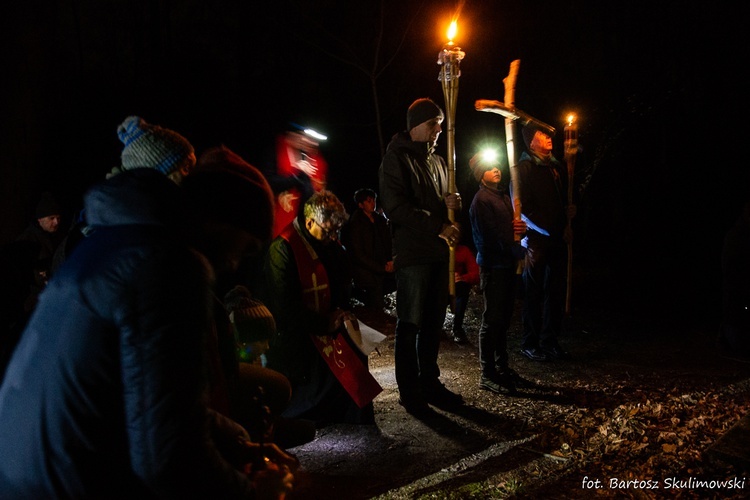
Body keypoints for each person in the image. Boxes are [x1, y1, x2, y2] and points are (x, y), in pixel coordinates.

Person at [0, 167, 296, 498]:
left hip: (28, 468)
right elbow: (167, 459)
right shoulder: (169, 266)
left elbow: (156, 399)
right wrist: (256, 492)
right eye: (247, 247)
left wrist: (238, 443)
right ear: (223, 223)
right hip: (64, 480)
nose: (235, 263)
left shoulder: (116, 245)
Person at [262, 190, 378, 426]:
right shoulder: (282, 250)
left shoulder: (328, 242)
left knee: (355, 350)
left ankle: (351, 415)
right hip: (298, 329)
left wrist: (341, 313)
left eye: (337, 231)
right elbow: (284, 305)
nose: (333, 237)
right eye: (328, 231)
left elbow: (341, 282)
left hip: (327, 319)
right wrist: (323, 322)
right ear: (309, 222)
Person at [378, 97, 464, 417]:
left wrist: (453, 202)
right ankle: (410, 391)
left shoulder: (440, 163)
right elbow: (396, 208)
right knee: (410, 324)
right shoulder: (395, 160)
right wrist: (438, 225)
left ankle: (429, 382)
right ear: (416, 126)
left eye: (440, 124)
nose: (438, 130)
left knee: (432, 324)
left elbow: (444, 204)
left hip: (438, 254)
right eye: (433, 124)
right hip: (414, 255)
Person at [514, 124, 575, 362]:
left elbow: (565, 200)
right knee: (534, 293)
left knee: (556, 292)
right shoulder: (524, 169)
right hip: (536, 242)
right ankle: (530, 342)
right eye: (542, 135)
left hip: (557, 240)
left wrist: (571, 212)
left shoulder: (556, 168)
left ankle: (550, 340)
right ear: (531, 142)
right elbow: (523, 207)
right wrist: (548, 230)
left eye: (549, 134)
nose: (548, 138)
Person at [469, 151, 528, 394]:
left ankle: (502, 367)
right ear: (480, 176)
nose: (496, 169)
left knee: (502, 320)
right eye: (489, 167)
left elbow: (510, 229)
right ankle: (487, 373)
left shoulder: (503, 197)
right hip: (493, 267)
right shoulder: (481, 201)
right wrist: (516, 250)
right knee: (492, 321)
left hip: (506, 265)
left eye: (497, 166)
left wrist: (521, 231)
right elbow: (491, 237)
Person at [264, 124, 329, 237]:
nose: (303, 140)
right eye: (300, 136)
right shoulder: (275, 150)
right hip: (274, 219)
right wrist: (297, 176)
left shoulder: (306, 157)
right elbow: (268, 183)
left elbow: (308, 194)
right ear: (290, 134)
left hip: (298, 223)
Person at [340, 188, 394, 311]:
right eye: (369, 201)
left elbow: (388, 242)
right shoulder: (355, 224)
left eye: (373, 200)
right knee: (375, 300)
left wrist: (390, 261)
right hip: (366, 269)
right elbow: (358, 254)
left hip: (383, 264)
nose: (373, 203)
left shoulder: (380, 220)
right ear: (361, 204)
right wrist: (379, 267)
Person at [15, 192, 64, 308]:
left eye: (58, 218)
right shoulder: (26, 241)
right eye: (51, 218)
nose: (56, 222)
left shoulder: (58, 236)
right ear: (40, 219)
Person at [718, 198, 750, 360]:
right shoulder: (737, 235)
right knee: (736, 313)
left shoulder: (740, 234)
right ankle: (731, 340)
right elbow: (731, 264)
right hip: (737, 284)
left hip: (740, 284)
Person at [450, 243, 480, 344]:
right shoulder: (437, 249)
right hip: (439, 285)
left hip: (457, 285)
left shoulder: (463, 250)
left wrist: (463, 278)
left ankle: (457, 328)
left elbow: (475, 273)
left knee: (463, 288)